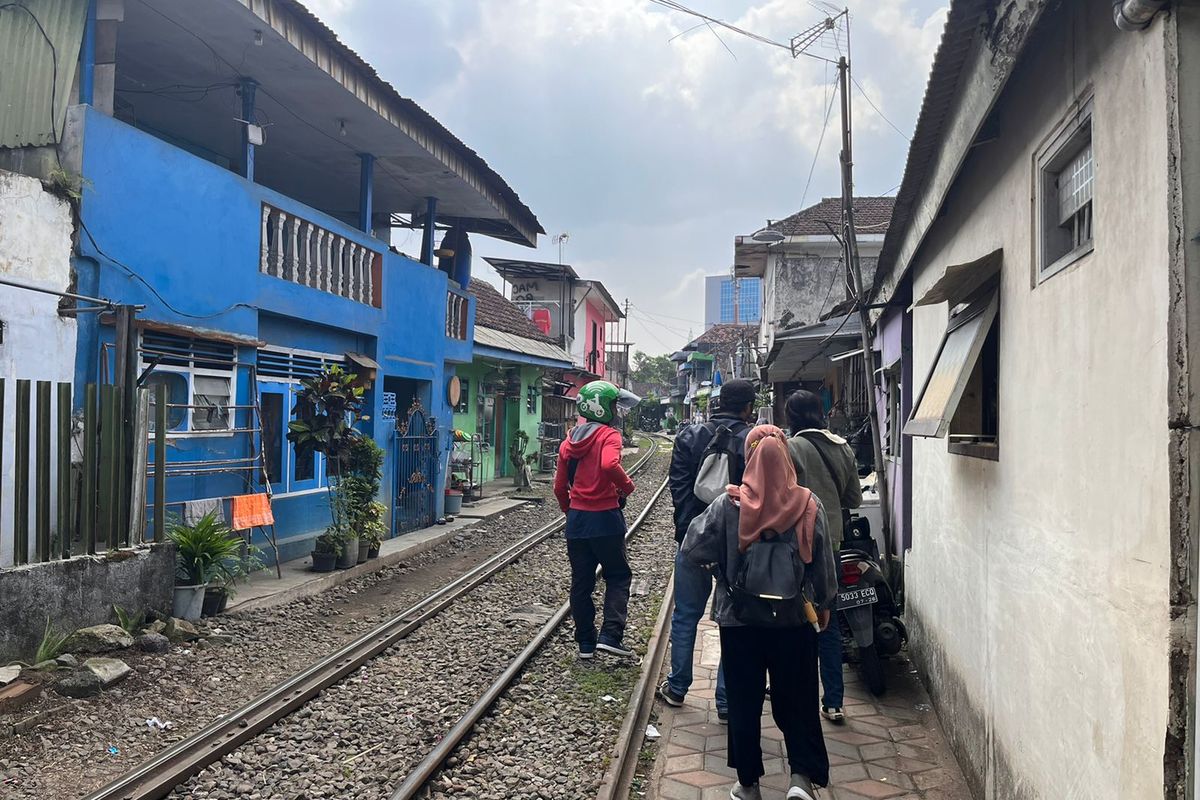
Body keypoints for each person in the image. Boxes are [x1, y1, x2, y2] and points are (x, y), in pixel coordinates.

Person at [682, 425, 837, 800]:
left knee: (744, 700)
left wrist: (721, 568)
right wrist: (824, 603)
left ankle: (748, 783)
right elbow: (824, 564)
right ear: (787, 458)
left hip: (739, 620)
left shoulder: (728, 505)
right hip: (794, 619)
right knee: (798, 697)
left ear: (748, 458)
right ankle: (800, 778)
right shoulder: (809, 504)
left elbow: (692, 548)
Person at [658, 379, 757, 721]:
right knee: (734, 620)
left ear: (717, 402)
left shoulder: (689, 436)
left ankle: (677, 687)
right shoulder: (753, 440)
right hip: (738, 543)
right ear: (748, 407)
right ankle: (727, 701)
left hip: (694, 538)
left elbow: (678, 487)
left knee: (686, 614)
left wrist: (690, 529)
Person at [785, 389, 863, 725]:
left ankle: (796, 696)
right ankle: (833, 702)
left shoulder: (790, 448)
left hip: (796, 543)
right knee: (827, 621)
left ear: (791, 417)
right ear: (821, 412)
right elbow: (854, 499)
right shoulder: (843, 447)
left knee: (794, 619)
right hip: (831, 543)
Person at [554, 380, 641, 660]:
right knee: (618, 575)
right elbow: (608, 464)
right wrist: (628, 486)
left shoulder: (569, 441)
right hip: (605, 518)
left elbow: (559, 487)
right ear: (604, 408)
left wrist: (570, 511)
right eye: (614, 404)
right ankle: (611, 635)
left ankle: (586, 643)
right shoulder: (609, 436)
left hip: (577, 520)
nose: (617, 410)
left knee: (581, 582)